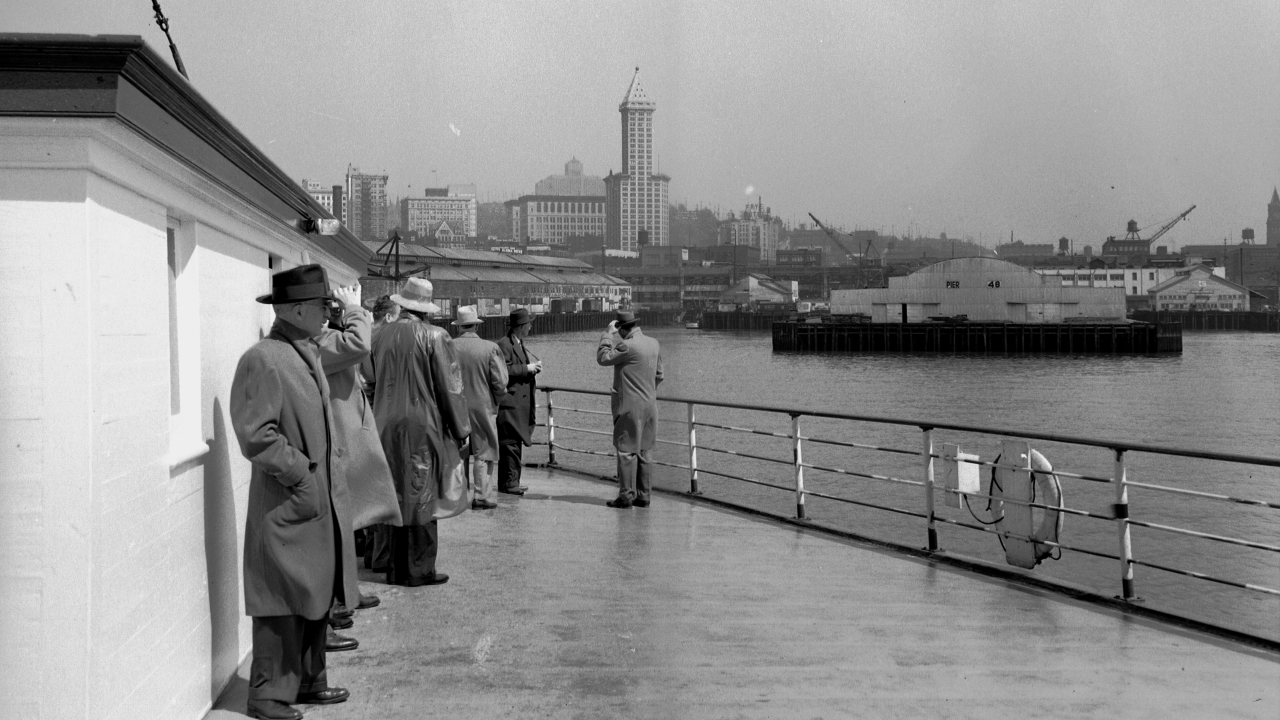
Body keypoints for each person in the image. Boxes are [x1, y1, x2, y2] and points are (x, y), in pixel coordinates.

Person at [230, 264, 355, 720]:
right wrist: (301, 474)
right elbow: (256, 434)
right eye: (323, 306)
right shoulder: (263, 357)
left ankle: (307, 681)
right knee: (281, 600)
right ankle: (266, 696)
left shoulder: (303, 349)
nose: (328, 313)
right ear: (297, 309)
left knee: (313, 593)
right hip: (289, 501)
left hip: (309, 501)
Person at [365, 277, 471, 587]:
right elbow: (451, 388)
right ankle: (419, 569)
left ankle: (393, 566)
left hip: (384, 421)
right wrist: (461, 428)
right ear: (426, 308)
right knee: (423, 493)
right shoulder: (435, 336)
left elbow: (370, 380)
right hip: (421, 424)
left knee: (394, 492)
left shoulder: (379, 335)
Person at [317, 285, 402, 648]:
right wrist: (353, 308)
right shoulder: (319, 344)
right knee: (340, 526)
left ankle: (348, 595)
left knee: (349, 522)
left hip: (350, 441)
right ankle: (337, 604)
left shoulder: (324, 339)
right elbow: (359, 345)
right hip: (340, 442)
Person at [596, 310, 664, 509]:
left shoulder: (626, 345)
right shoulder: (654, 343)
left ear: (622, 329)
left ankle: (626, 496)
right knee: (645, 451)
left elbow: (603, 358)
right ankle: (643, 496)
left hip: (629, 407)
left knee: (626, 451)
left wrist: (608, 334)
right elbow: (660, 375)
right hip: (651, 406)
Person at [451, 306, 509, 509]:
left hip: (455, 406)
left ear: (458, 327)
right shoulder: (490, 348)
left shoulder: (448, 346)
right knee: (484, 452)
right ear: (476, 325)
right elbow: (500, 383)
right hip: (483, 406)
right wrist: (495, 401)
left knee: (459, 451)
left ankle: (458, 494)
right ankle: (481, 496)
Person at [361, 295, 399, 573]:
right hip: (379, 419)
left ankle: (372, 551)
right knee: (384, 490)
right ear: (388, 317)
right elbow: (376, 382)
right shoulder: (382, 340)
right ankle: (382, 557)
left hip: (362, 419)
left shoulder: (364, 337)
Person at [496, 308, 541, 495]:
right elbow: (503, 370)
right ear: (521, 327)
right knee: (510, 445)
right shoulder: (504, 344)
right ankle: (509, 484)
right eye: (529, 324)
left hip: (516, 405)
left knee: (514, 444)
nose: (530, 327)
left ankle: (511, 481)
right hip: (510, 406)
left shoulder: (517, 342)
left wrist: (530, 369)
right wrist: (528, 368)